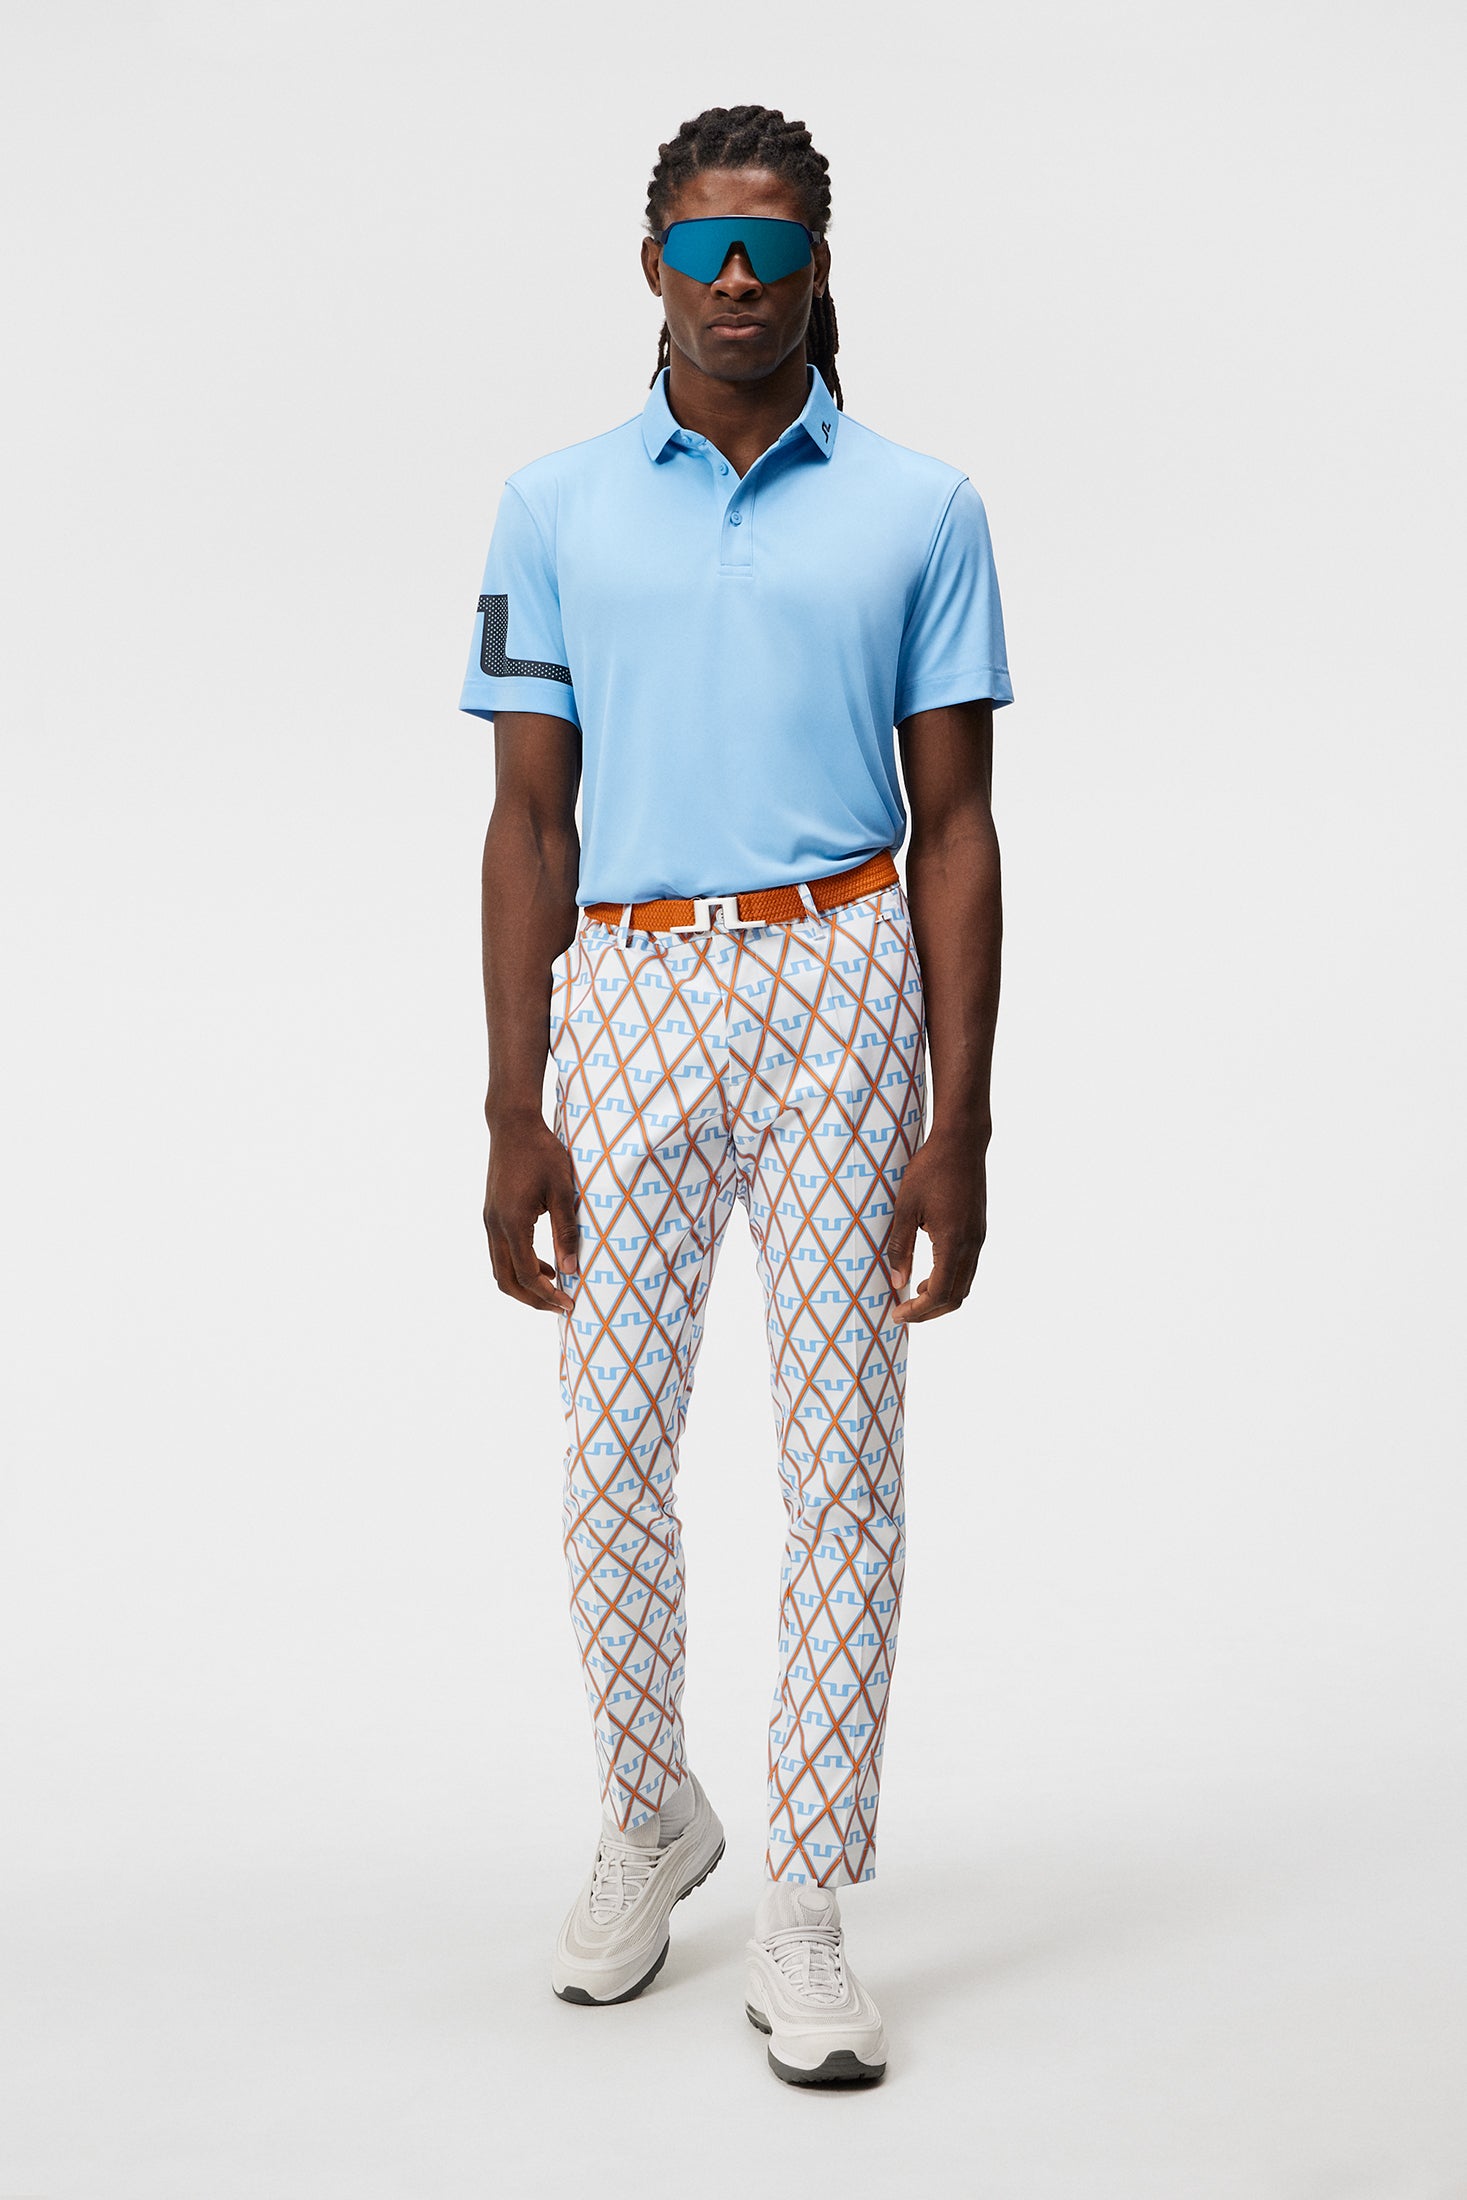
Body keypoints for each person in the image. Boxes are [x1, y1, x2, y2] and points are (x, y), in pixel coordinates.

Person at [459, 102, 1012, 2088]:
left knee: (841, 1454)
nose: (739, 283)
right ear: (653, 269)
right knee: (611, 1445)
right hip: (625, 975)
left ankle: (808, 1898)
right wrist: (512, 1099)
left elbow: (958, 825)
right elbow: (528, 821)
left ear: (817, 269)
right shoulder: (550, 509)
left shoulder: (922, 509)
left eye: (771, 249)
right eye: (704, 249)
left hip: (844, 965)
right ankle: (650, 1808)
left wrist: (960, 1117)